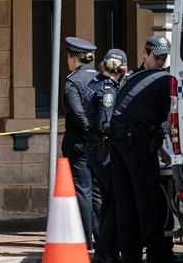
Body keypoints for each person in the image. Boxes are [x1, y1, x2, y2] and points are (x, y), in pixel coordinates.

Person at [108, 59, 182, 263]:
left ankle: (130, 255)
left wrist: (158, 149)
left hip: (118, 138)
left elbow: (144, 118)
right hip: (134, 140)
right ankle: (157, 254)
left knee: (126, 200)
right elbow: (172, 123)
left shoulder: (146, 76)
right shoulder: (171, 82)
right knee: (148, 199)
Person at [83, 49, 128, 263]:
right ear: (122, 68)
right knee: (115, 199)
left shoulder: (95, 82)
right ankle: (106, 251)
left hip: (94, 149)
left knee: (109, 199)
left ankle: (105, 250)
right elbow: (105, 125)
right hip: (104, 151)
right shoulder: (109, 90)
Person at [61, 36, 100, 250]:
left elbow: (76, 111)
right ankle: (102, 235)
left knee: (82, 190)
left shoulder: (73, 80)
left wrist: (87, 127)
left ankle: (85, 239)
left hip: (78, 141)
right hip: (97, 143)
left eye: (69, 57)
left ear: (74, 58)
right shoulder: (100, 78)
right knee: (96, 190)